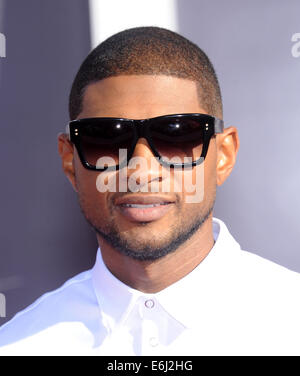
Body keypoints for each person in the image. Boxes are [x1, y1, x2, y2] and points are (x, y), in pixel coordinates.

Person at [0, 26, 299, 356]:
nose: (141, 171)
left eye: (176, 134)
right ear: (71, 161)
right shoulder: (19, 345)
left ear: (223, 156)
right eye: (107, 138)